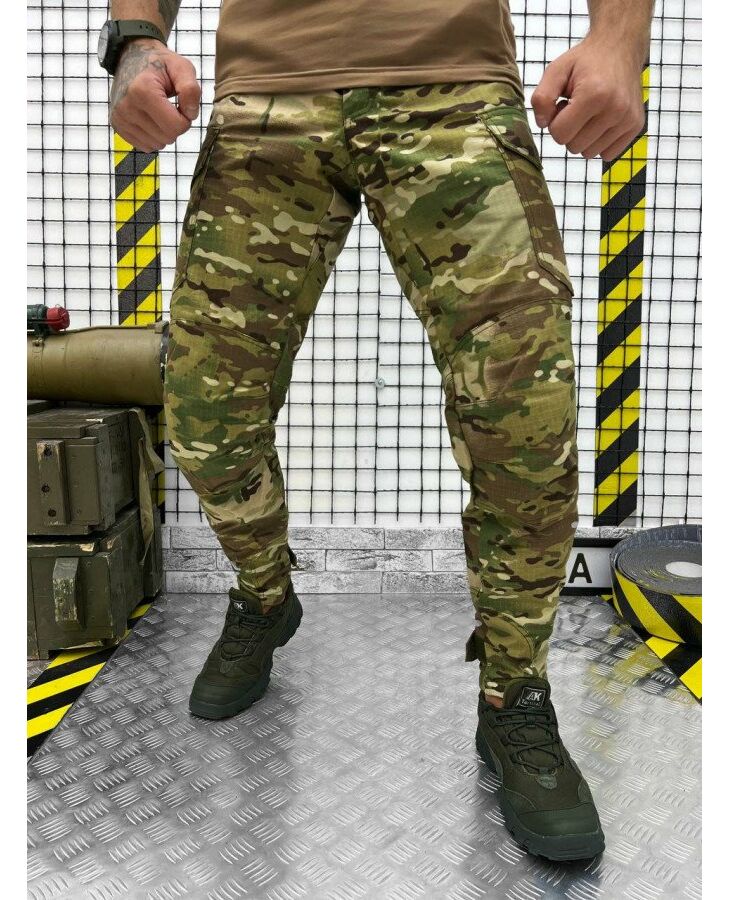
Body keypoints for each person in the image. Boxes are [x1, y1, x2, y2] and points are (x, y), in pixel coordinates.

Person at [101, 0, 653, 861]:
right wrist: (135, 39)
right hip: (268, 96)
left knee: (524, 417)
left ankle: (513, 697)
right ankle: (265, 598)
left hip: (455, 89)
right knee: (206, 412)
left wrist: (619, 39)